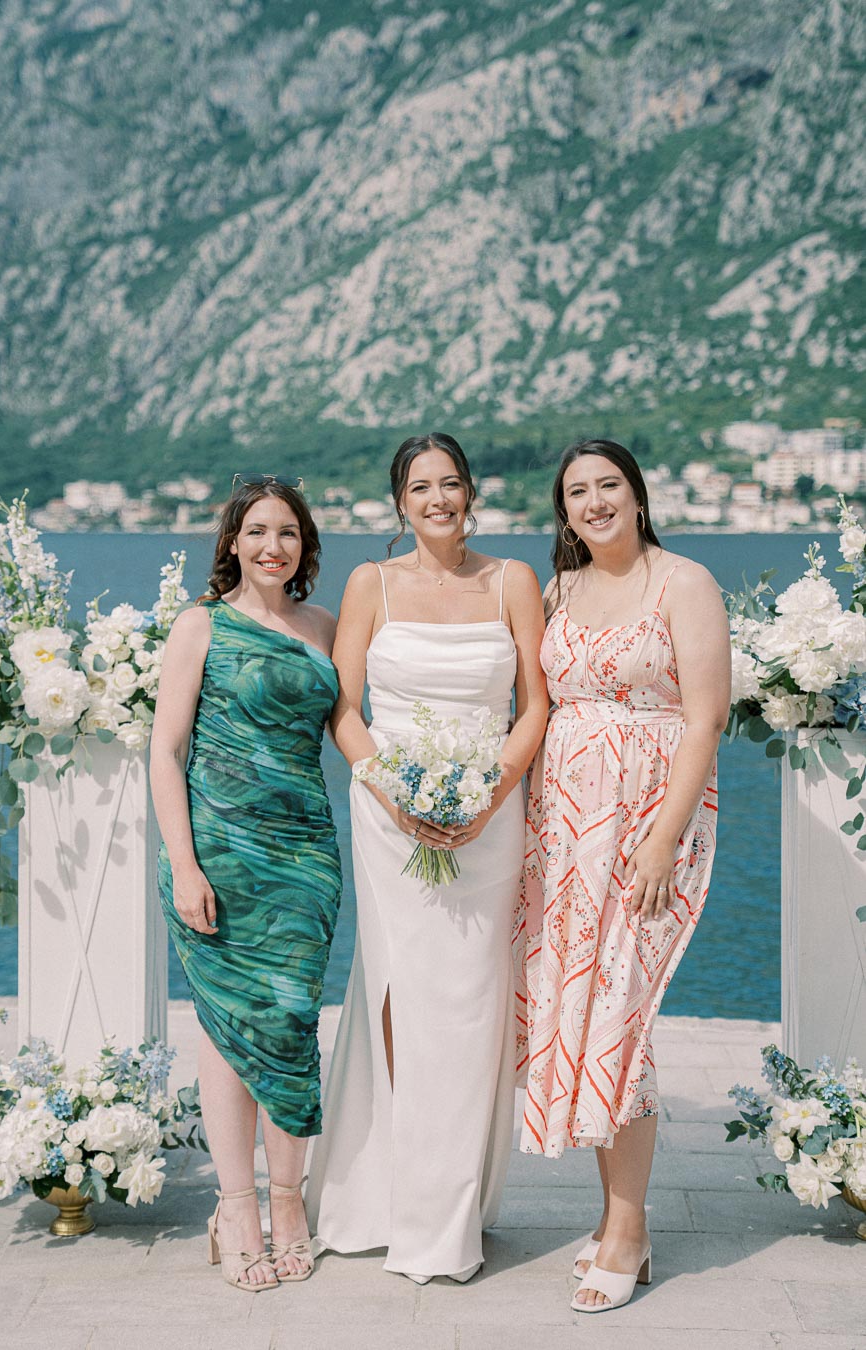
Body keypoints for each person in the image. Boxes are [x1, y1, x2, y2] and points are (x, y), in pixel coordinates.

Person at [305, 432, 548, 1283]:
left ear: (471, 491)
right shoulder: (369, 584)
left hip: (490, 816)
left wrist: (489, 793)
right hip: (388, 817)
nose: (438, 498)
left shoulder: (513, 580)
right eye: (421, 486)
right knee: (397, 995)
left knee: (473, 1005)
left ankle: (452, 1211)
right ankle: (389, 1193)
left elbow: (535, 704)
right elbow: (342, 707)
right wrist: (391, 790)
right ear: (399, 502)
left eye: (451, 483)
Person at [513, 438, 730, 1313]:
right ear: (563, 511)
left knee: (624, 1015)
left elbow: (707, 715)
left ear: (638, 496)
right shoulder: (559, 590)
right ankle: (613, 1218)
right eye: (578, 491)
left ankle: (631, 1227)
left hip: (647, 828)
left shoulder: (686, 582)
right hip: (563, 836)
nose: (595, 501)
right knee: (583, 1010)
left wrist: (658, 839)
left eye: (610, 485)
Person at [150, 474, 341, 1292]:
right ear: (232, 541)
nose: (273, 546)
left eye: (289, 534)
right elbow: (166, 751)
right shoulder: (201, 626)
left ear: (305, 548)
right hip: (219, 856)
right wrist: (185, 864)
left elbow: (363, 725)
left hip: (305, 857)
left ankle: (289, 1202)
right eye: (258, 531)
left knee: (293, 1024)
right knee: (229, 1035)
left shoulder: (327, 627)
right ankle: (236, 1209)